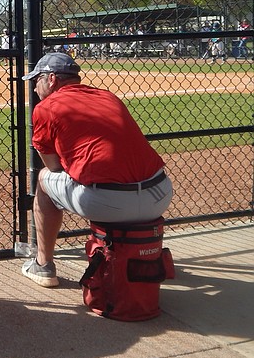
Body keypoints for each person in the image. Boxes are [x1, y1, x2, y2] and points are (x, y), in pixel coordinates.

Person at [20, 52, 173, 287]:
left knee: (43, 178)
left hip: (109, 202)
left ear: (52, 79)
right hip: (160, 194)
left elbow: (53, 166)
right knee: (112, 178)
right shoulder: (107, 96)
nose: (34, 88)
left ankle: (43, 265)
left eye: (36, 80)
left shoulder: (46, 107)